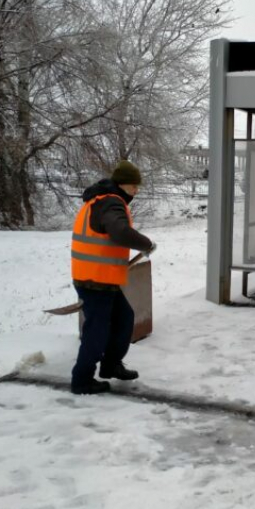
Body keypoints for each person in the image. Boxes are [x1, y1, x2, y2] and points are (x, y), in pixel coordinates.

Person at [70, 160, 156, 395]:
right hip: (95, 279)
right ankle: (81, 380)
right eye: (133, 186)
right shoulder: (111, 202)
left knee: (124, 318)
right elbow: (119, 232)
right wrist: (146, 244)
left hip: (100, 278)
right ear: (122, 184)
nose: (136, 191)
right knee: (97, 331)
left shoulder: (102, 200)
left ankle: (111, 365)